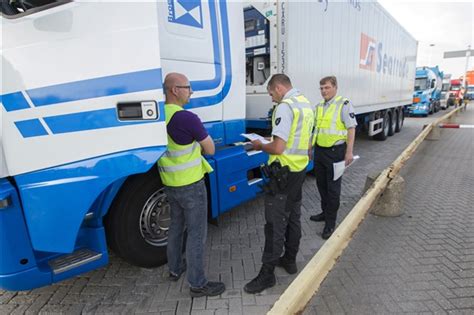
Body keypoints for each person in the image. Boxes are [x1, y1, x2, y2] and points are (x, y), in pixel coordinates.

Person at [244, 74, 314, 294]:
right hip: (298, 171)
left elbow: (278, 148)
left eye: (271, 93)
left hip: (282, 174)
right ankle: (290, 260)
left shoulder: (285, 107)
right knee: (293, 217)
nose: (272, 98)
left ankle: (267, 275)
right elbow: (306, 143)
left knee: (274, 224)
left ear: (280, 87)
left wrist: (259, 144)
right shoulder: (306, 104)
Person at [158, 72, 225, 297]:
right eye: (188, 87)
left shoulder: (159, 116)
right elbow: (211, 149)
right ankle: (198, 284)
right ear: (175, 90)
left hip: (169, 183)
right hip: (191, 185)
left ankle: (175, 269)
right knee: (197, 234)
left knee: (176, 227)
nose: (191, 92)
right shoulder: (187, 118)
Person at [310, 76, 357, 240]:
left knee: (333, 189)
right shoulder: (319, 107)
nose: (324, 91)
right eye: (321, 88)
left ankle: (330, 223)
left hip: (336, 152)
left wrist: (349, 152)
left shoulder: (343, 104)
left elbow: (351, 128)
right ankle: (325, 212)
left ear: (335, 88)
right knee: (321, 185)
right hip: (320, 152)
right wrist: (311, 147)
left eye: (327, 87)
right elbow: (316, 129)